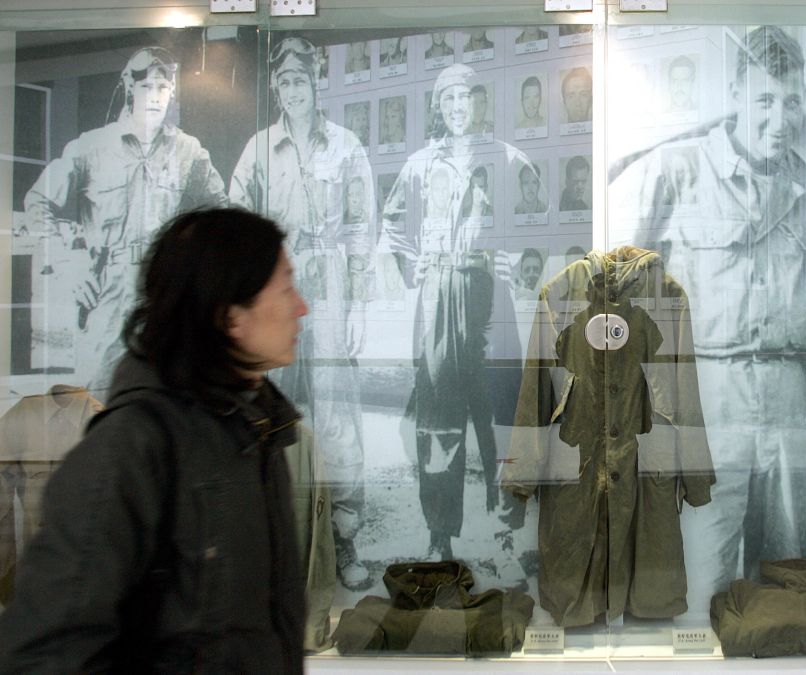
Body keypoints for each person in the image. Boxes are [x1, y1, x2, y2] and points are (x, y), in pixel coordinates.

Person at [0, 208, 308, 672]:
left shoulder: (257, 429)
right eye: (285, 287)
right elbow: (46, 653)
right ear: (229, 315)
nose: (300, 306)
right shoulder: (132, 446)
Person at [609, 26, 806, 622]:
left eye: (792, 102)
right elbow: (606, 288)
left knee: (785, 576)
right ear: (734, 94)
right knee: (705, 579)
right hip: (710, 399)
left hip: (787, 403)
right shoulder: (674, 170)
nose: (780, 119)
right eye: (764, 100)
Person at [229, 36, 375, 591]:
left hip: (333, 280)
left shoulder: (345, 146)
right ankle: (272, 538)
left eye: (302, 81)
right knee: (268, 406)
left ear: (317, 85)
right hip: (276, 285)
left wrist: (359, 303)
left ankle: (346, 537)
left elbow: (363, 229)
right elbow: (237, 218)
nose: (293, 92)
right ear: (277, 89)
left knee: (338, 412)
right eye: (284, 83)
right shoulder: (259, 149)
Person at [382, 63, 534, 560]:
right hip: (439, 295)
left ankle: (506, 533)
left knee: (499, 416)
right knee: (439, 419)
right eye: (447, 101)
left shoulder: (507, 159)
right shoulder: (420, 164)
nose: (456, 108)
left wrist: (523, 263)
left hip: (489, 293)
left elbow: (544, 215)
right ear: (438, 108)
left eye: (465, 98)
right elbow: (393, 228)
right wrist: (412, 266)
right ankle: (440, 536)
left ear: (480, 102)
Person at [22, 46, 228, 400]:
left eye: (163, 88)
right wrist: (69, 264)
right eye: (146, 87)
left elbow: (222, 215)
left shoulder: (188, 152)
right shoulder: (92, 148)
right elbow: (38, 202)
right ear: (129, 89)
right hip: (108, 295)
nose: (155, 97)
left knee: (173, 398)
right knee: (98, 399)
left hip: (169, 292)